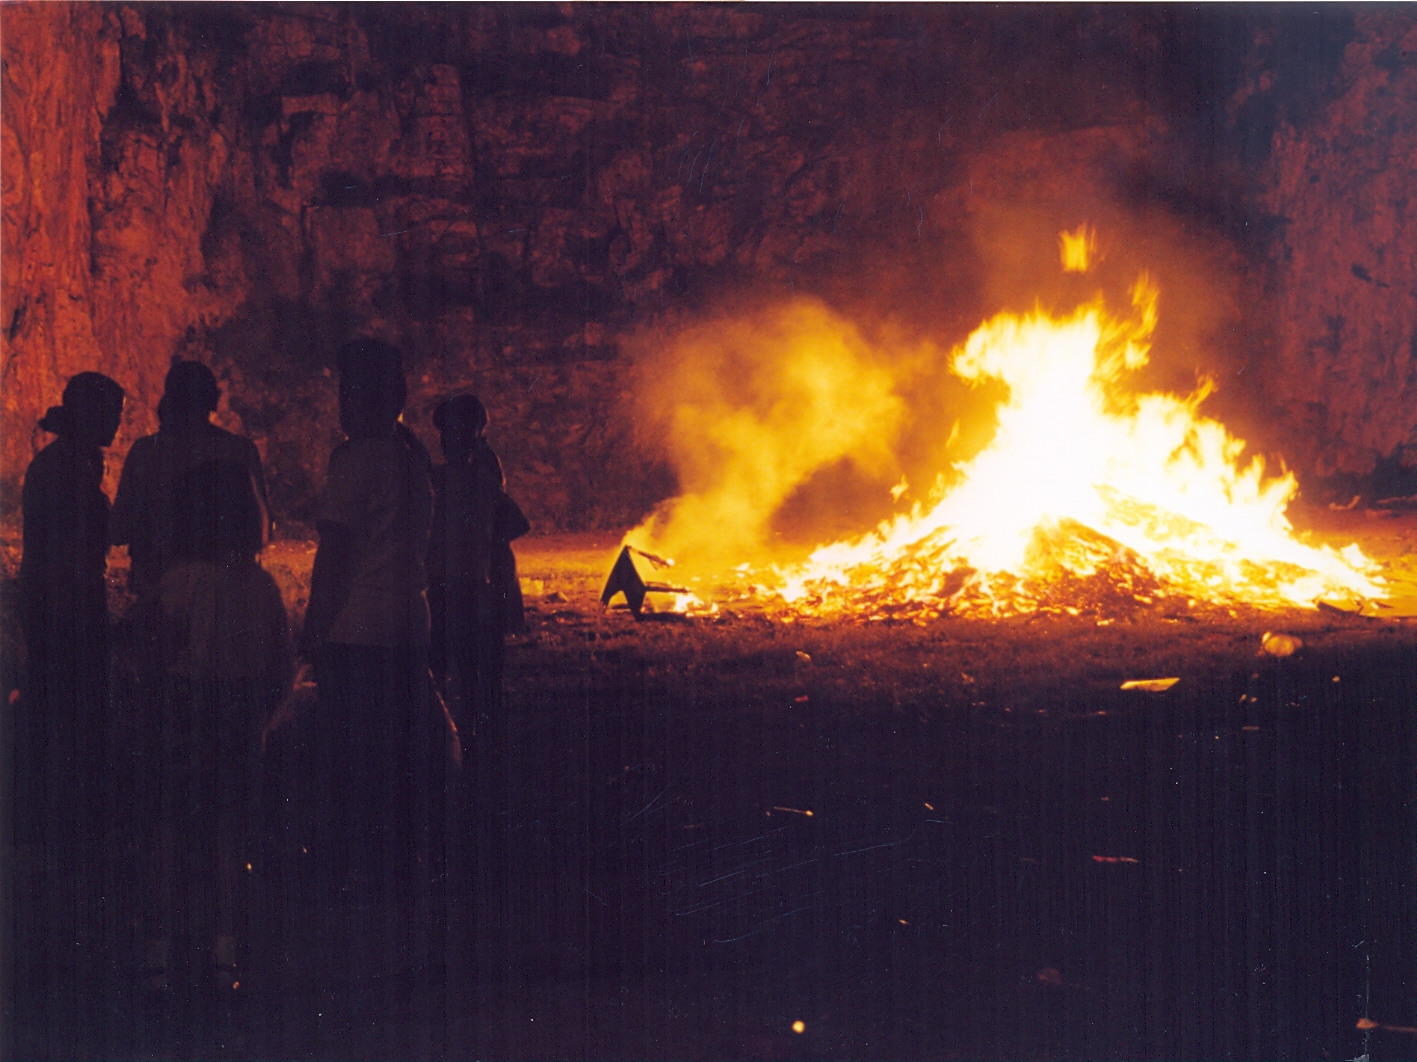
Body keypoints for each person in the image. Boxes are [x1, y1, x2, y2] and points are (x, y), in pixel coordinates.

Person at [297, 338, 448, 902]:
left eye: (347, 390)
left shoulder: (355, 458)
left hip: (356, 626)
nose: (341, 402)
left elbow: (336, 550)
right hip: (409, 619)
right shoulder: (412, 457)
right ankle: (404, 868)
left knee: (351, 756)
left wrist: (315, 623)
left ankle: (352, 875)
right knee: (401, 754)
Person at [139, 460, 292, 995]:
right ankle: (227, 954)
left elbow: (153, 648)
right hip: (241, 714)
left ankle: (159, 955)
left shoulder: (180, 582)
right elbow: (281, 664)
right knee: (231, 832)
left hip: (185, 710)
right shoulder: (261, 586)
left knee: (170, 828)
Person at [15, 372, 125, 1013]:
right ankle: (63, 831)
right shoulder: (68, 469)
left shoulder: (63, 462)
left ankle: (58, 827)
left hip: (57, 604)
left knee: (63, 710)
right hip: (65, 608)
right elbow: (81, 545)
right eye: (110, 411)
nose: (115, 422)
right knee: (70, 712)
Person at [111, 359, 269, 598]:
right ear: (212, 401)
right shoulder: (239, 450)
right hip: (225, 591)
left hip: (160, 587)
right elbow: (262, 529)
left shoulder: (146, 452)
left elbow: (120, 528)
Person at [427, 394, 529, 738]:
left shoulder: (433, 481)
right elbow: (515, 525)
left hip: (440, 584)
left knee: (440, 668)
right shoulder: (483, 480)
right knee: (476, 673)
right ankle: (480, 735)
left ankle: (446, 736)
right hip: (473, 585)